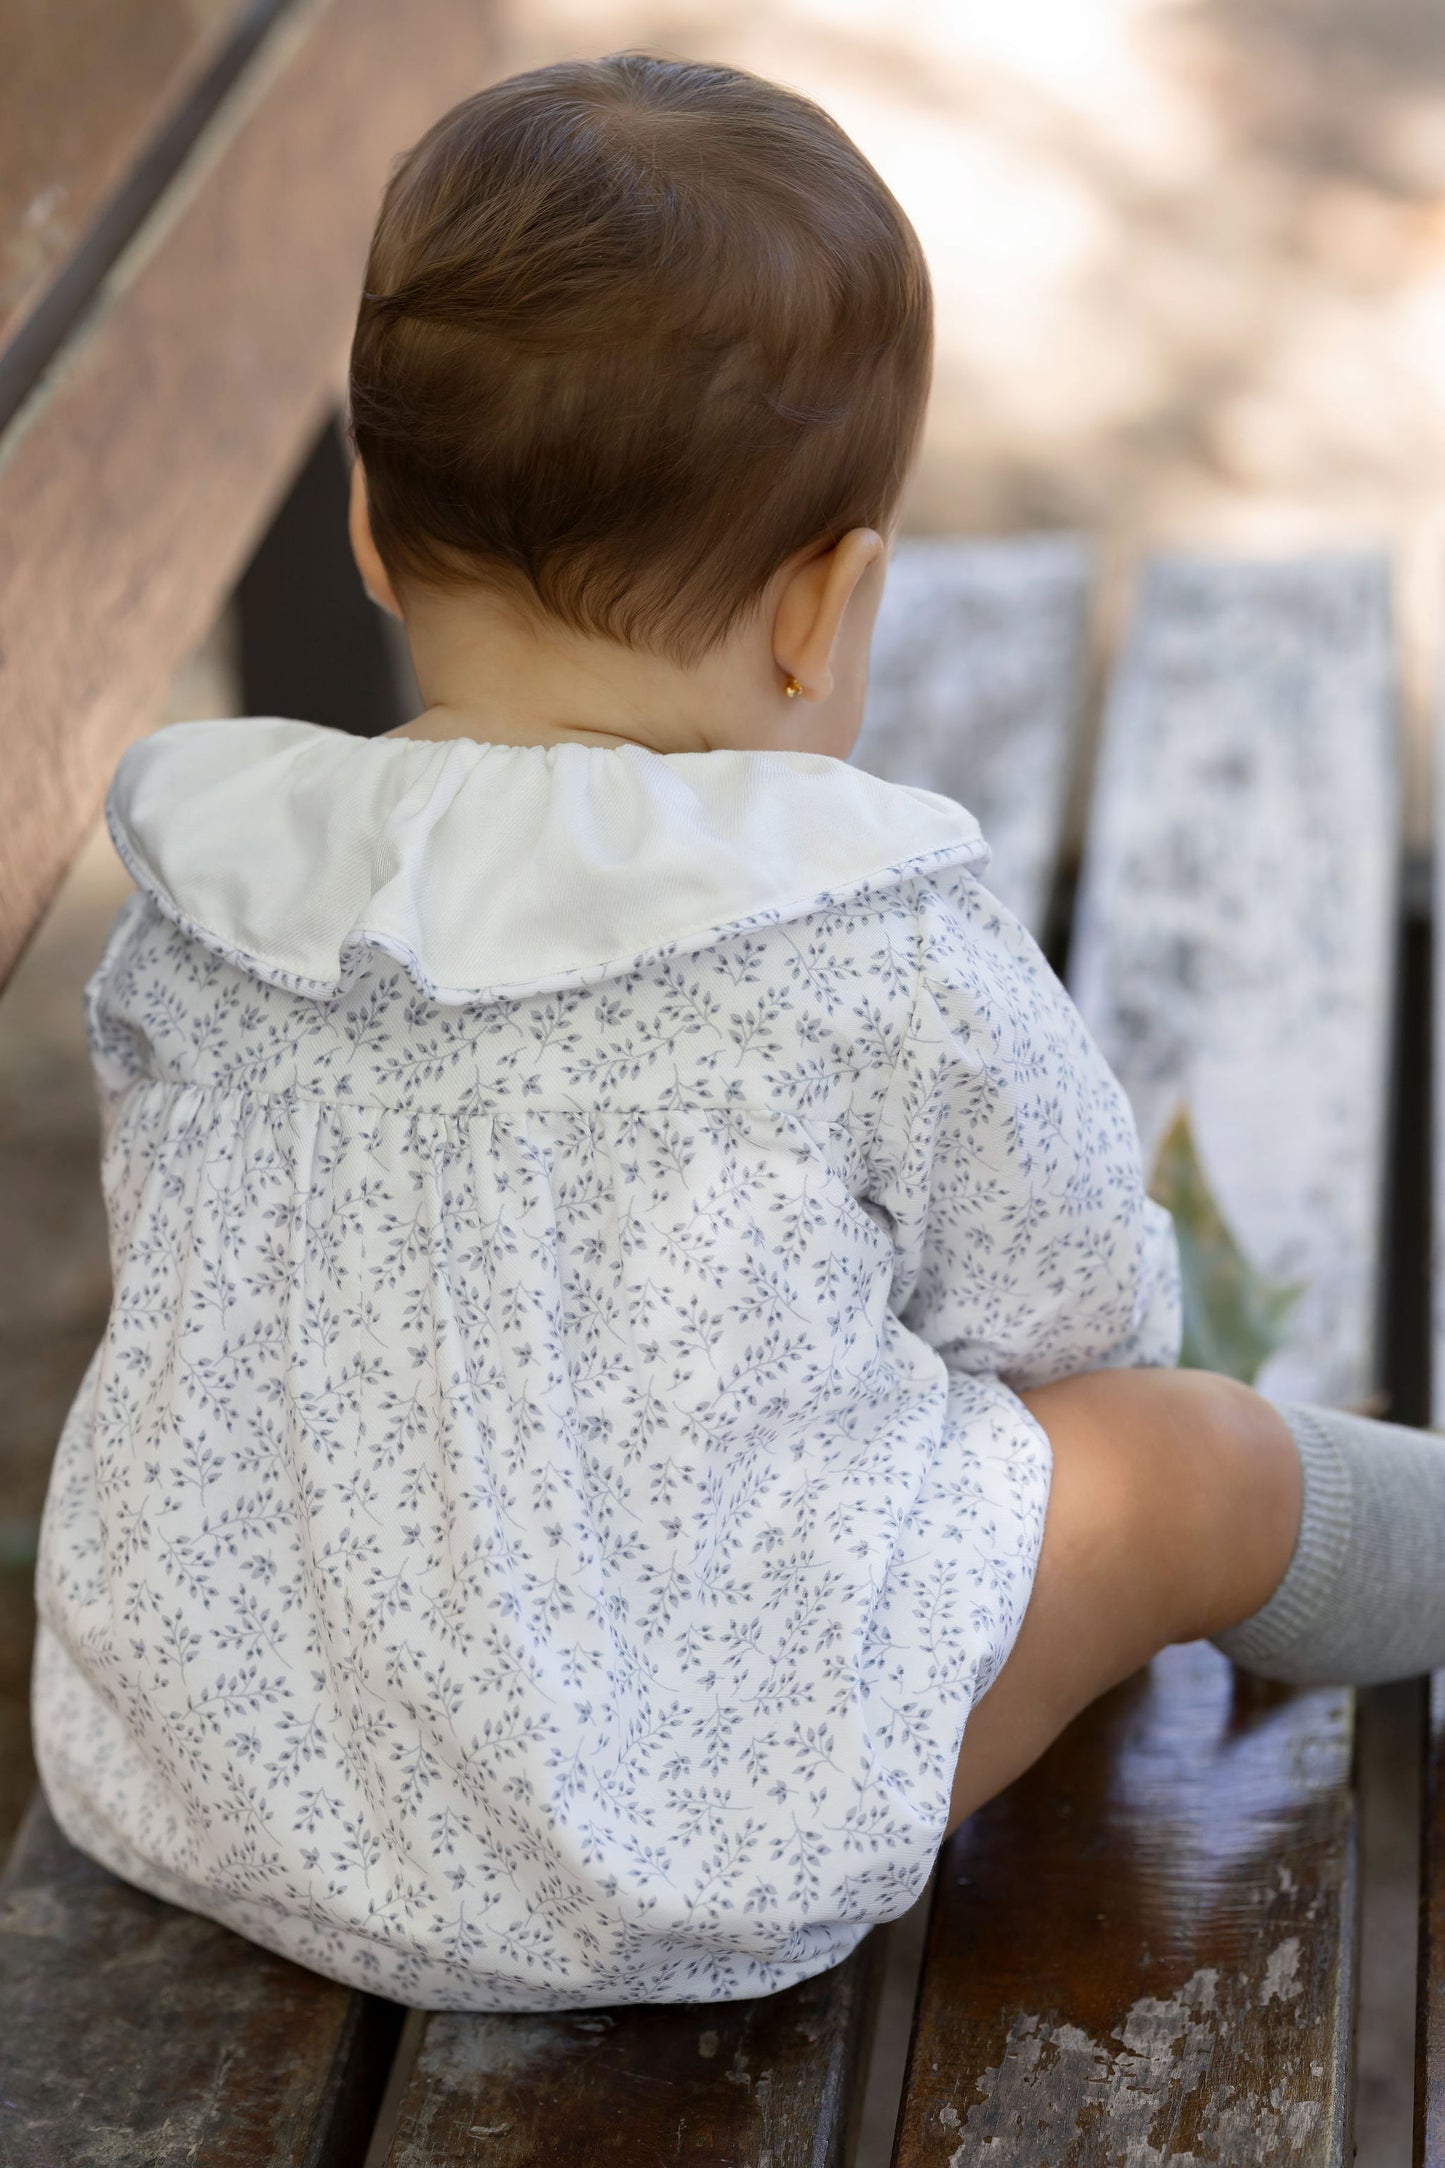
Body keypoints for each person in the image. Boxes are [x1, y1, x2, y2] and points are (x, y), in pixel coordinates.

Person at [28, 51, 1440, 2016]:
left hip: (206, 1770)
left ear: (366, 523)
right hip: (679, 1846)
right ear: (825, 608)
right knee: (1185, 1460)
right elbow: (1082, 1322)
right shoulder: (858, 930)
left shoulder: (215, 873)